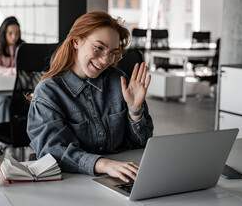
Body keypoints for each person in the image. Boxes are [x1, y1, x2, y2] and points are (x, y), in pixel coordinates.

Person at [27, 11, 153, 183]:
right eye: (99, 48)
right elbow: (53, 151)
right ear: (76, 41)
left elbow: (142, 143)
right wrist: (104, 165)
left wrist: (134, 111)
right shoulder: (49, 93)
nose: (105, 60)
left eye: (112, 53)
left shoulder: (119, 81)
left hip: (119, 178)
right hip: (71, 185)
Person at [0, 16, 23, 123]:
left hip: (13, 89)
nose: (14, 37)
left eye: (17, 33)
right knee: (4, 102)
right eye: (10, 33)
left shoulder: (20, 45)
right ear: (3, 33)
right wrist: (13, 71)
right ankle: (7, 137)